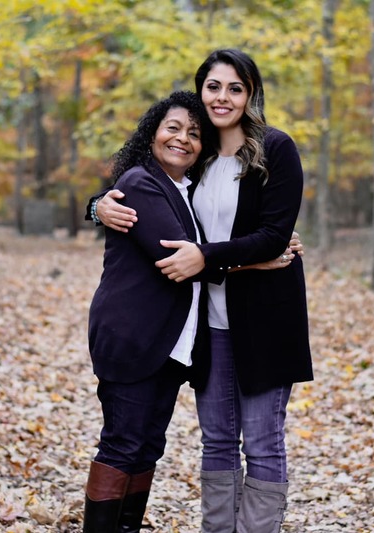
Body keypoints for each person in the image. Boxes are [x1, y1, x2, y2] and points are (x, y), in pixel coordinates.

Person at [91, 49, 313, 533]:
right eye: (213, 86)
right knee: (215, 441)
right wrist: (96, 206)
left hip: (265, 320)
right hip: (206, 323)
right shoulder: (197, 152)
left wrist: (208, 257)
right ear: (201, 90)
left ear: (251, 94)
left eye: (235, 88)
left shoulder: (275, 149)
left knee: (262, 441)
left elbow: (275, 236)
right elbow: (145, 195)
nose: (223, 97)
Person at [84, 90, 213, 533]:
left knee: (147, 447)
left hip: (169, 344)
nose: (183, 139)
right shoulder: (141, 181)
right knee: (123, 444)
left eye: (195, 134)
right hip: (133, 336)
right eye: (173, 128)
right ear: (153, 132)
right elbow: (177, 257)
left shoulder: (188, 190)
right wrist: (259, 255)